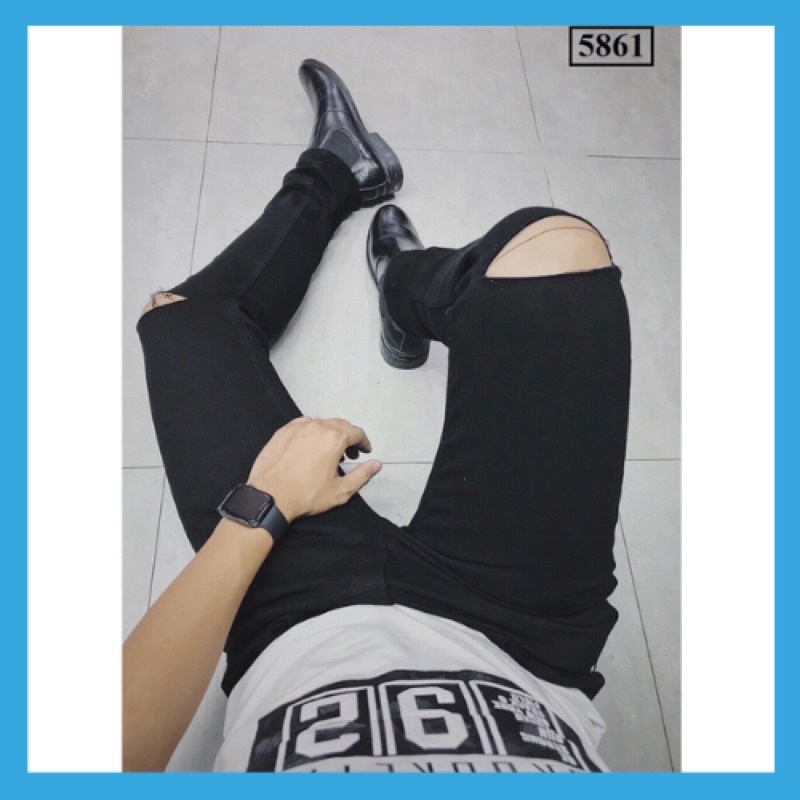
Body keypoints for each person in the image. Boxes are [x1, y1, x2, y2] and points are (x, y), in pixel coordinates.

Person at [123, 59, 631, 773]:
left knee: (180, 325)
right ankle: (403, 286)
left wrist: (262, 507)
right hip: (521, 641)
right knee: (558, 249)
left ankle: (335, 170)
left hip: (299, 627)